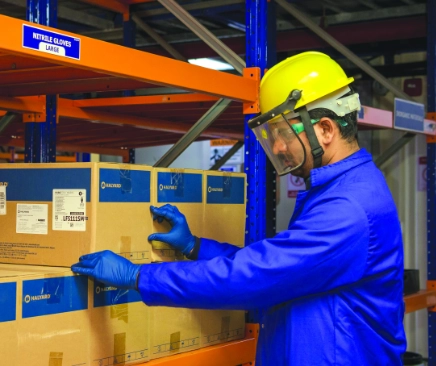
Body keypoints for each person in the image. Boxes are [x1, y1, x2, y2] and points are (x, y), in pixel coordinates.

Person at [72, 51, 407, 365]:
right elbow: (278, 265)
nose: (276, 146)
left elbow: (258, 277)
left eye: (283, 131)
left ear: (326, 129)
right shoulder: (337, 190)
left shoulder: (349, 208)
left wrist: (139, 276)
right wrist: (196, 247)